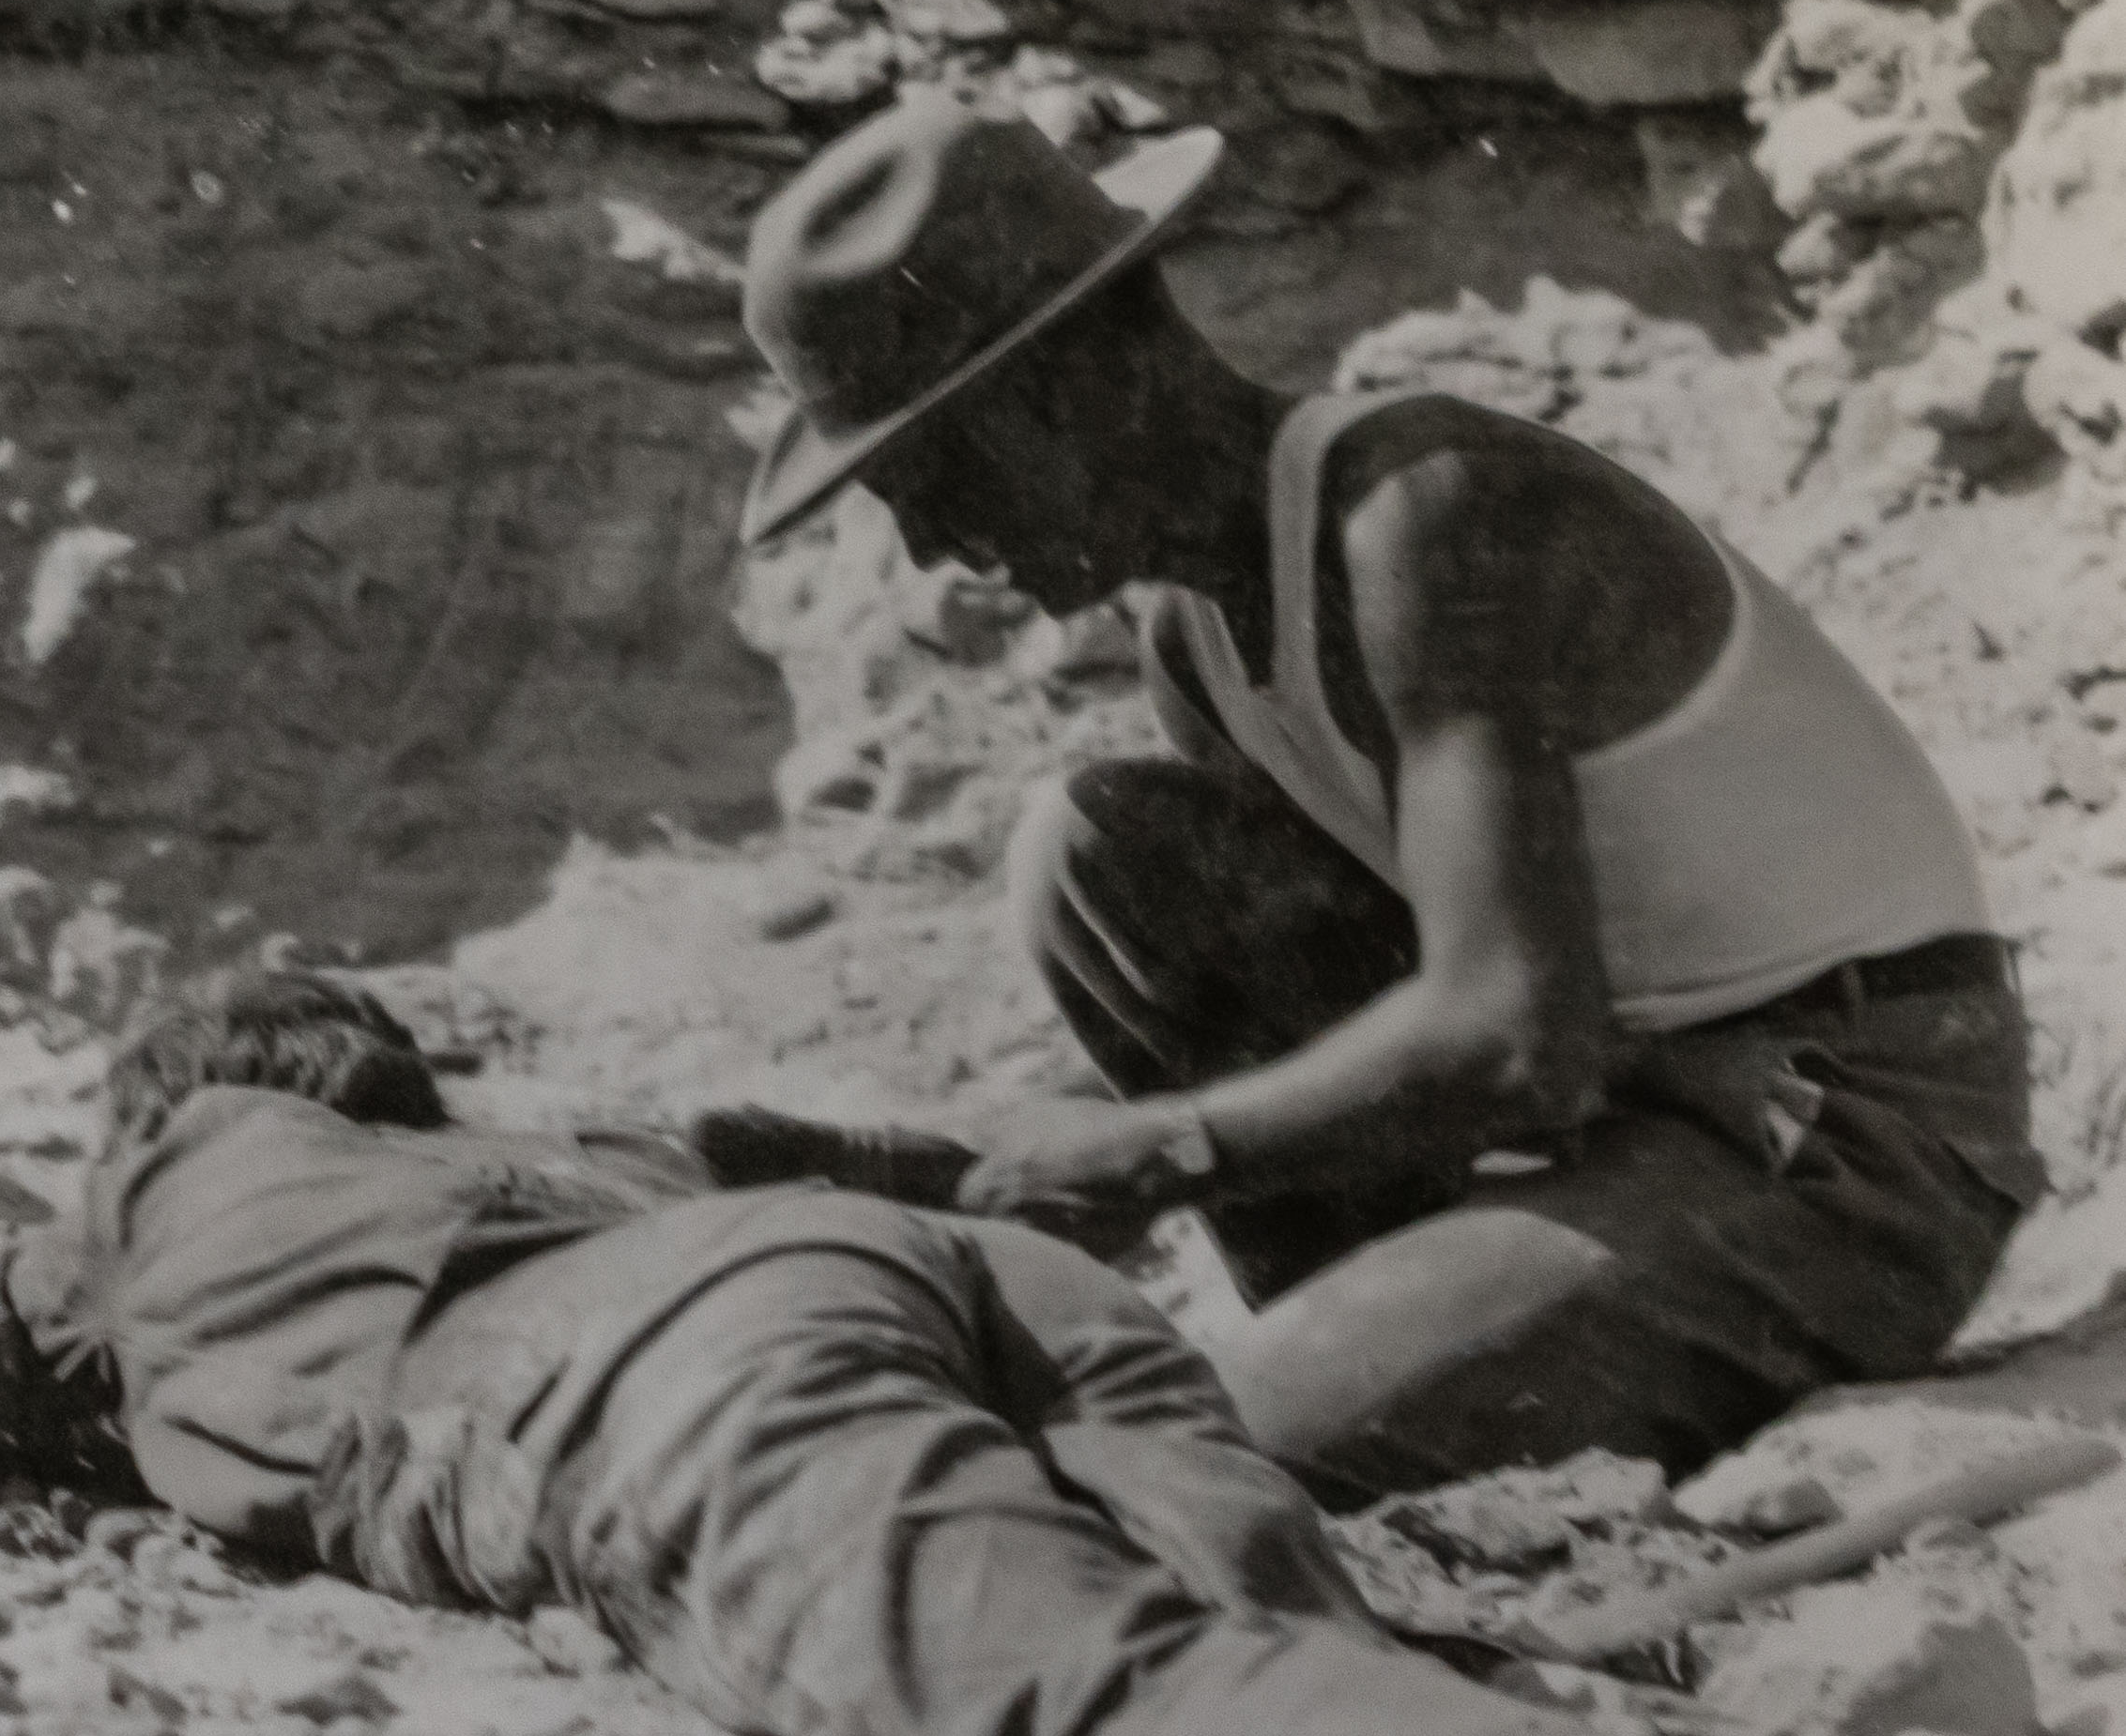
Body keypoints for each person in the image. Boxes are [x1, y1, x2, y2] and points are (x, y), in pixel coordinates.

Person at [0, 970, 1986, 1736]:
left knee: (1077, 1700)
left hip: (611, 1362)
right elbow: (917, 1161)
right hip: (916, 1268)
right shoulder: (561, 1130)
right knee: (1245, 1614)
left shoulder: (149, 1182)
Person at [726, 98, 2040, 1502]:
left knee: (1181, 1462)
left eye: (935, 470)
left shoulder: (1423, 510)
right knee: (1105, 851)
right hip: (1632, 1093)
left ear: (1057, 388)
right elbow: (1413, 1012)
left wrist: (1152, 1153)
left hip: (1846, 1141)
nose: (931, 541)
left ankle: (1378, 1380)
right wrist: (986, 1154)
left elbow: (1506, 1036)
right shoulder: (1196, 634)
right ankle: (1396, 1332)